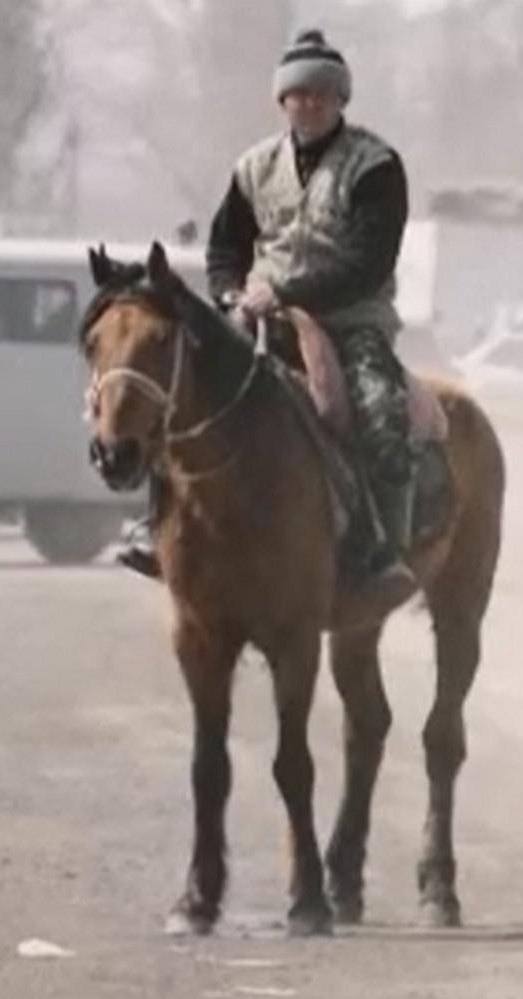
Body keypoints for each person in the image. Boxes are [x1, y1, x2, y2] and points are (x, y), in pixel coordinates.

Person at [116, 29, 417, 604]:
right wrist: (230, 294)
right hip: (257, 317)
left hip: (352, 321)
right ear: (282, 101)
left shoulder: (376, 166)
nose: (310, 103)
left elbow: (368, 262)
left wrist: (284, 288)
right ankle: (157, 527)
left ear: (340, 100)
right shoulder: (254, 166)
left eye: (323, 93)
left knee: (381, 411)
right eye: (298, 94)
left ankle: (382, 552)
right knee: (177, 392)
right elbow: (224, 249)